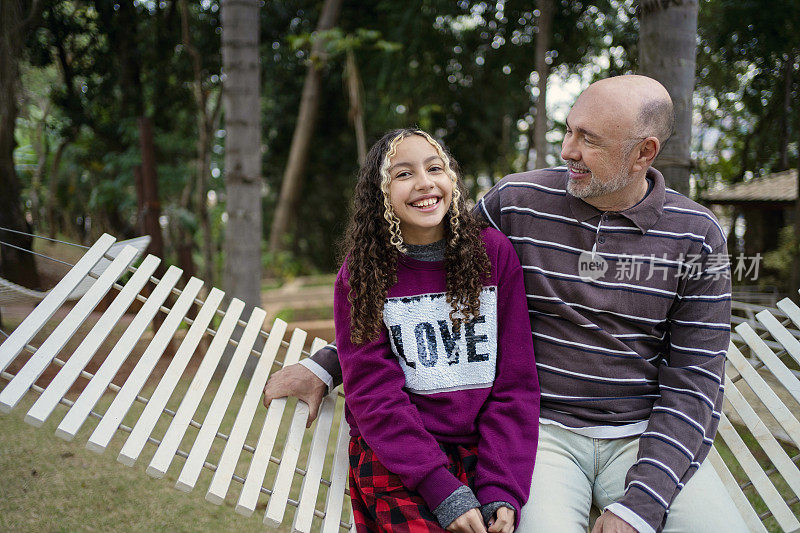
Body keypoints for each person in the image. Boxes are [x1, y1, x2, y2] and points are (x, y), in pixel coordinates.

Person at [264, 75, 747, 533]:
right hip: (541, 433)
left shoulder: (698, 235)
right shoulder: (518, 201)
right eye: (568, 130)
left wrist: (642, 504)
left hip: (642, 432)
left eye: (590, 140)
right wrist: (333, 361)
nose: (567, 151)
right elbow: (418, 271)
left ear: (644, 153)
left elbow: (696, 382)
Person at [325, 128, 539, 533]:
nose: (424, 182)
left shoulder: (492, 254)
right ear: (380, 194)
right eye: (403, 174)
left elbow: (515, 384)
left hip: (481, 447)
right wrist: (441, 488)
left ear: (451, 179)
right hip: (399, 451)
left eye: (434, 168)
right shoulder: (363, 274)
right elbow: (373, 393)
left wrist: (501, 488)